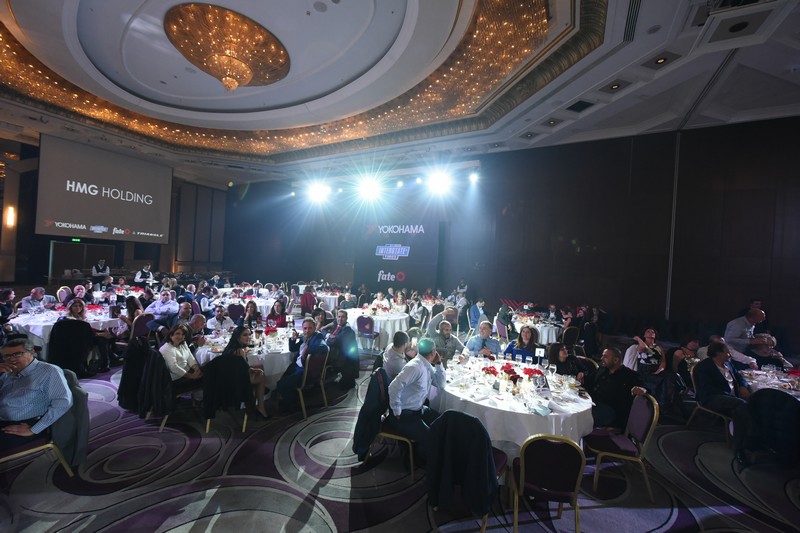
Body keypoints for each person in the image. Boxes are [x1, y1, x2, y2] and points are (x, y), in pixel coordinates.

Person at [0, 335, 73, 448]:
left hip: (25, 425)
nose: (12, 359)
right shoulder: (7, 371)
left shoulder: (49, 371)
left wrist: (33, 429)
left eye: (17, 354)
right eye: (7, 356)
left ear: (32, 352)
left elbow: (63, 402)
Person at [386, 338, 445, 466]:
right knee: (431, 439)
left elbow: (440, 384)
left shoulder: (426, 365)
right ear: (433, 352)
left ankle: (420, 454)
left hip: (417, 409)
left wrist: (439, 363)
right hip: (403, 414)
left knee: (443, 422)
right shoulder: (415, 367)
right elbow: (393, 387)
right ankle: (420, 462)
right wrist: (397, 411)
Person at [694, 342, 752, 465]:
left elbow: (740, 377)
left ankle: (744, 444)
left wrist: (743, 386)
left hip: (732, 399)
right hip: (713, 398)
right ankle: (744, 446)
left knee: (743, 409)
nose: (730, 354)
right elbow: (707, 389)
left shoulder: (728, 364)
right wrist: (731, 397)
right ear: (718, 353)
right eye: (727, 352)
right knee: (742, 405)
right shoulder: (704, 367)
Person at [583, 348, 647, 429]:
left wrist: (643, 389)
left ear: (616, 360)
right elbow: (588, 381)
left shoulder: (630, 375)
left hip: (610, 411)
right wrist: (581, 377)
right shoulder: (603, 369)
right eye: (602, 356)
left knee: (581, 416)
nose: (602, 358)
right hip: (592, 402)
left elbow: (644, 388)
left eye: (605, 356)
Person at [276, 318, 329, 413]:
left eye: (310, 328)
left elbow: (325, 347)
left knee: (281, 384)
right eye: (305, 328)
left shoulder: (318, 336)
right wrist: (293, 339)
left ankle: (292, 404)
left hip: (305, 371)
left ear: (314, 328)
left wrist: (307, 349)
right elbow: (293, 349)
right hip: (297, 365)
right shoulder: (305, 337)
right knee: (280, 375)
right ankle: (292, 398)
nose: (307, 331)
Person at [221, 326, 268, 417]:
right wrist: (252, 371)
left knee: (260, 368)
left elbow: (240, 367)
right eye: (245, 335)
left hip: (229, 377)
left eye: (249, 335)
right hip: (234, 382)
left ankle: (256, 403)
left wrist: (253, 370)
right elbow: (241, 370)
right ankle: (260, 407)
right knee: (261, 377)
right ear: (238, 337)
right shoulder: (239, 351)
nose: (248, 337)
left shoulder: (231, 347)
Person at [62, 299, 118, 371]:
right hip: (76, 339)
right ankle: (109, 360)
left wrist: (101, 332)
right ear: (70, 307)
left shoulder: (81, 316)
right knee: (102, 338)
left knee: (102, 339)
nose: (78, 307)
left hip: (86, 336)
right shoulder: (68, 318)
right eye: (75, 306)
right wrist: (100, 334)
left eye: (80, 306)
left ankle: (106, 362)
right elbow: (80, 332)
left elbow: (87, 329)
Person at [159, 324, 202, 392]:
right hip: (177, 379)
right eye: (177, 333)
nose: (181, 336)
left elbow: (190, 357)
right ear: (171, 335)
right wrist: (191, 376)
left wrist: (196, 368)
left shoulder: (182, 343)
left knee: (208, 369)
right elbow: (174, 368)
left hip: (187, 372)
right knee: (208, 377)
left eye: (183, 334)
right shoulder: (167, 348)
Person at [325, 309, 359, 389]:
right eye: (339, 316)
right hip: (339, 354)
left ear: (346, 318)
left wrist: (328, 337)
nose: (340, 319)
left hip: (343, 357)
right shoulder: (337, 326)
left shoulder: (347, 330)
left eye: (343, 317)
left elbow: (334, 342)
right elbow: (325, 331)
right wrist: (329, 336)